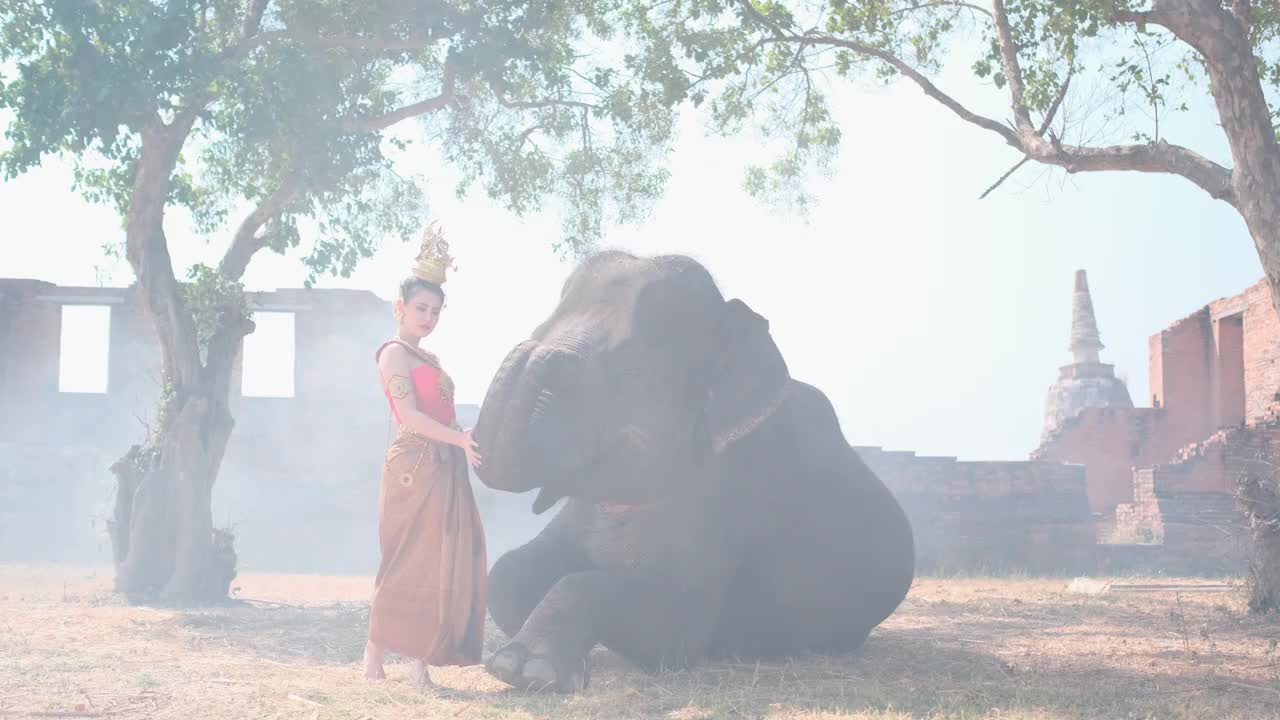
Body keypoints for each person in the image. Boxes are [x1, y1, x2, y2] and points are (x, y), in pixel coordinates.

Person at [363, 222, 487, 690]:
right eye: (421, 308)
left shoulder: (430, 359)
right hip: (414, 466)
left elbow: (444, 416)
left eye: (435, 311)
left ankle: (421, 661)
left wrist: (466, 441)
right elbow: (409, 418)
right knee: (406, 559)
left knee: (439, 561)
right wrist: (456, 440)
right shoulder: (393, 355)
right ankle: (374, 650)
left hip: (445, 464)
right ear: (400, 307)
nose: (428, 317)